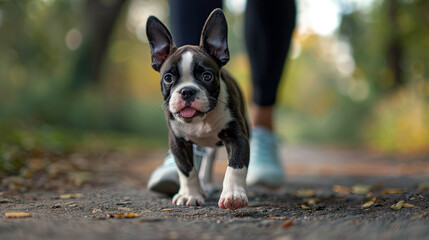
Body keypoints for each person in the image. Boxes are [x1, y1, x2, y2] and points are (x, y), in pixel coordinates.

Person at [147, 0, 297, 195]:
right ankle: (191, 174)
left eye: (206, 76)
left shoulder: (228, 100)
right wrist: (189, 188)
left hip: (223, 116)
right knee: (180, 142)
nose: (186, 92)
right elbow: (176, 141)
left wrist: (234, 184)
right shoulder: (174, 108)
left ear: (220, 50)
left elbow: (237, 139)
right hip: (186, 136)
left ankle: (261, 131)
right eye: (169, 78)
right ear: (158, 56)